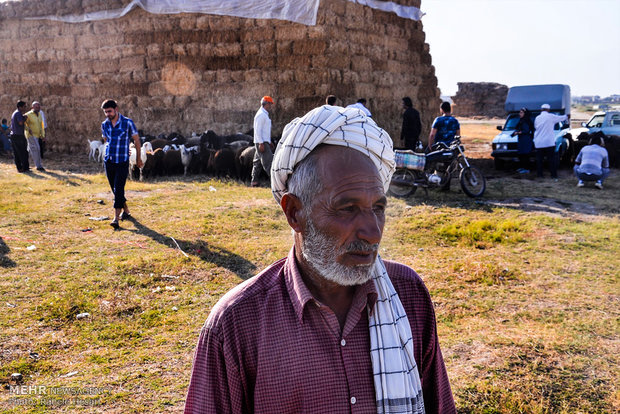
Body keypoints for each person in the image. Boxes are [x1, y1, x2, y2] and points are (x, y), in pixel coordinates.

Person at [185, 105, 456, 414]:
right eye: (347, 208)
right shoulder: (236, 326)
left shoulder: (409, 296)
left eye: (378, 207)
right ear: (294, 213)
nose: (373, 233)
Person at [100, 99, 143, 229]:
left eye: (110, 111)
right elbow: (106, 140)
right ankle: (126, 211)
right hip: (109, 160)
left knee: (119, 188)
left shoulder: (128, 123)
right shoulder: (104, 124)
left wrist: (138, 158)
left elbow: (136, 140)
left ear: (116, 109)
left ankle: (116, 218)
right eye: (105, 112)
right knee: (115, 189)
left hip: (123, 160)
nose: (108, 114)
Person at [533, 103, 569, 179]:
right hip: (549, 142)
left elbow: (536, 127)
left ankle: (540, 175)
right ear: (548, 109)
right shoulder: (551, 116)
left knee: (539, 160)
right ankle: (553, 175)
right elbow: (561, 118)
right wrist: (567, 116)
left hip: (539, 142)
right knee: (551, 160)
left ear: (541, 109)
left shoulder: (537, 118)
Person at [250, 96, 274, 187]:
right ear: (266, 104)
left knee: (257, 162)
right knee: (268, 162)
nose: (270, 106)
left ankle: (254, 181)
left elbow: (265, 130)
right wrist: (261, 143)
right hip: (262, 142)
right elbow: (257, 130)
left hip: (264, 141)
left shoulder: (264, 114)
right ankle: (275, 183)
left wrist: (269, 141)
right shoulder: (261, 115)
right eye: (270, 104)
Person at [511, 107, 535, 173]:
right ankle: (522, 167)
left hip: (526, 140)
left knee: (525, 155)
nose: (519, 114)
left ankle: (526, 169)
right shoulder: (522, 121)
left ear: (525, 113)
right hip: (522, 140)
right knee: (521, 154)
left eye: (521, 112)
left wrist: (518, 132)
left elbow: (526, 130)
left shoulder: (526, 121)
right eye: (519, 112)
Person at [24, 101, 46, 171]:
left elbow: (41, 125)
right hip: (31, 135)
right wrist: (28, 129)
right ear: (32, 107)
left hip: (37, 135)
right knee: (37, 149)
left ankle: (27, 164)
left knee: (33, 150)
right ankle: (38, 166)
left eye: (39, 107)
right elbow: (24, 124)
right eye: (36, 107)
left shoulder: (39, 114)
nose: (38, 108)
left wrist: (43, 135)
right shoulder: (28, 114)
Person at [10, 101, 30, 173]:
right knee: (23, 152)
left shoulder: (15, 113)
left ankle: (20, 168)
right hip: (18, 136)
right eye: (24, 106)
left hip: (14, 136)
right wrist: (25, 118)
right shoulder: (18, 113)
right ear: (20, 107)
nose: (25, 108)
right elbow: (20, 123)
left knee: (17, 153)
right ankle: (24, 168)